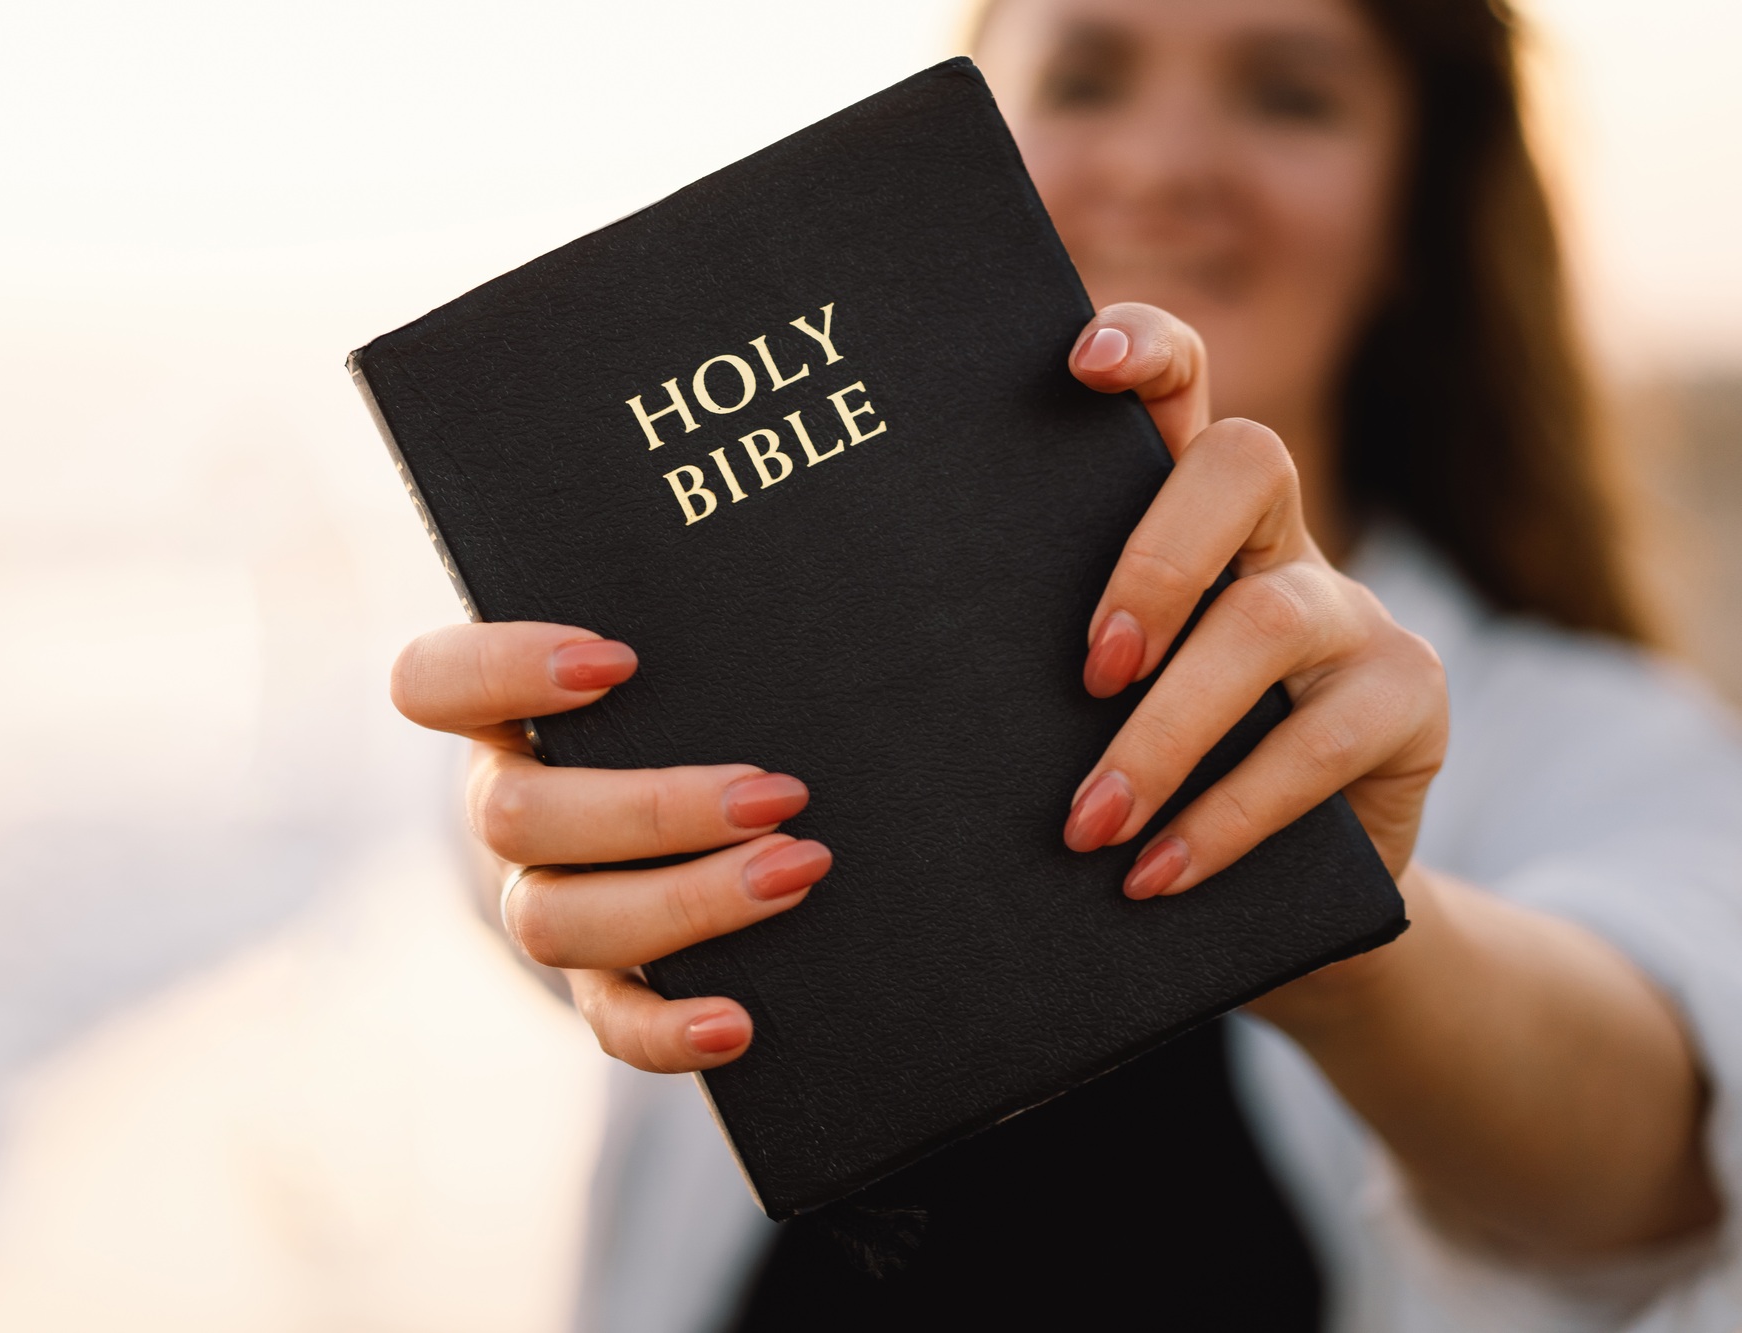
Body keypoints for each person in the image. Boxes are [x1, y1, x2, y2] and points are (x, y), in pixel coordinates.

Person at [390, 0, 1742, 1327]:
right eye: (1087, 80)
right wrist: (545, 819)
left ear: (1417, 215)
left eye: (1291, 96)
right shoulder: (768, 620)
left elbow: (1666, 1157)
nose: (1161, 165)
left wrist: (1340, 920)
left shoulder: (1613, 736)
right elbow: (512, 870)